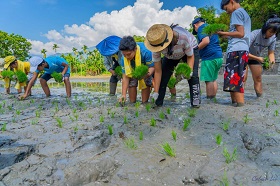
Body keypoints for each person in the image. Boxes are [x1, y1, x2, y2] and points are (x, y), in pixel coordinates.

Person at [144, 24, 201, 108]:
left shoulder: (183, 38)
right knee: (163, 77)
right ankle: (158, 103)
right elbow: (158, 71)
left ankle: (196, 103)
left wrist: (190, 71)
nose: (159, 50)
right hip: (170, 55)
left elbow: (190, 56)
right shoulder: (156, 45)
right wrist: (156, 91)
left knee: (193, 77)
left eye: (161, 47)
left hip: (189, 50)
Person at [218, 0, 251, 107]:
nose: (227, 12)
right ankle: (235, 105)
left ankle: (240, 107)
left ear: (232, 2)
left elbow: (240, 33)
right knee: (235, 78)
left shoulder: (236, 12)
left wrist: (224, 33)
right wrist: (226, 35)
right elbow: (241, 33)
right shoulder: (244, 13)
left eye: (226, 9)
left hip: (236, 49)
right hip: (242, 49)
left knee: (235, 79)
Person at [244, 15, 280, 97]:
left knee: (258, 78)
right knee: (243, 78)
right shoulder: (254, 34)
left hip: (256, 57)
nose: (272, 34)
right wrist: (257, 58)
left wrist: (271, 62)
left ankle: (260, 98)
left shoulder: (273, 38)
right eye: (270, 32)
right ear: (265, 28)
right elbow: (243, 50)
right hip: (244, 55)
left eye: (274, 33)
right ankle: (240, 100)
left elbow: (271, 53)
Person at [192, 17, 223, 99]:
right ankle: (214, 99)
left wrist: (195, 50)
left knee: (208, 80)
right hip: (218, 56)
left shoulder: (201, 28)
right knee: (213, 79)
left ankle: (209, 100)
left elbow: (206, 41)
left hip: (209, 57)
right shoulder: (210, 27)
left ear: (195, 25)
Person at [118, 36, 155, 104]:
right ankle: (132, 103)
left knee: (146, 82)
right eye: (124, 55)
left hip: (145, 70)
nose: (126, 57)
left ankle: (145, 103)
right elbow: (125, 77)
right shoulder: (123, 59)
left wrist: (146, 75)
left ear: (135, 49)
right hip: (131, 69)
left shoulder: (146, 51)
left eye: (129, 54)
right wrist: (123, 95)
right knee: (131, 83)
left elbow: (152, 67)